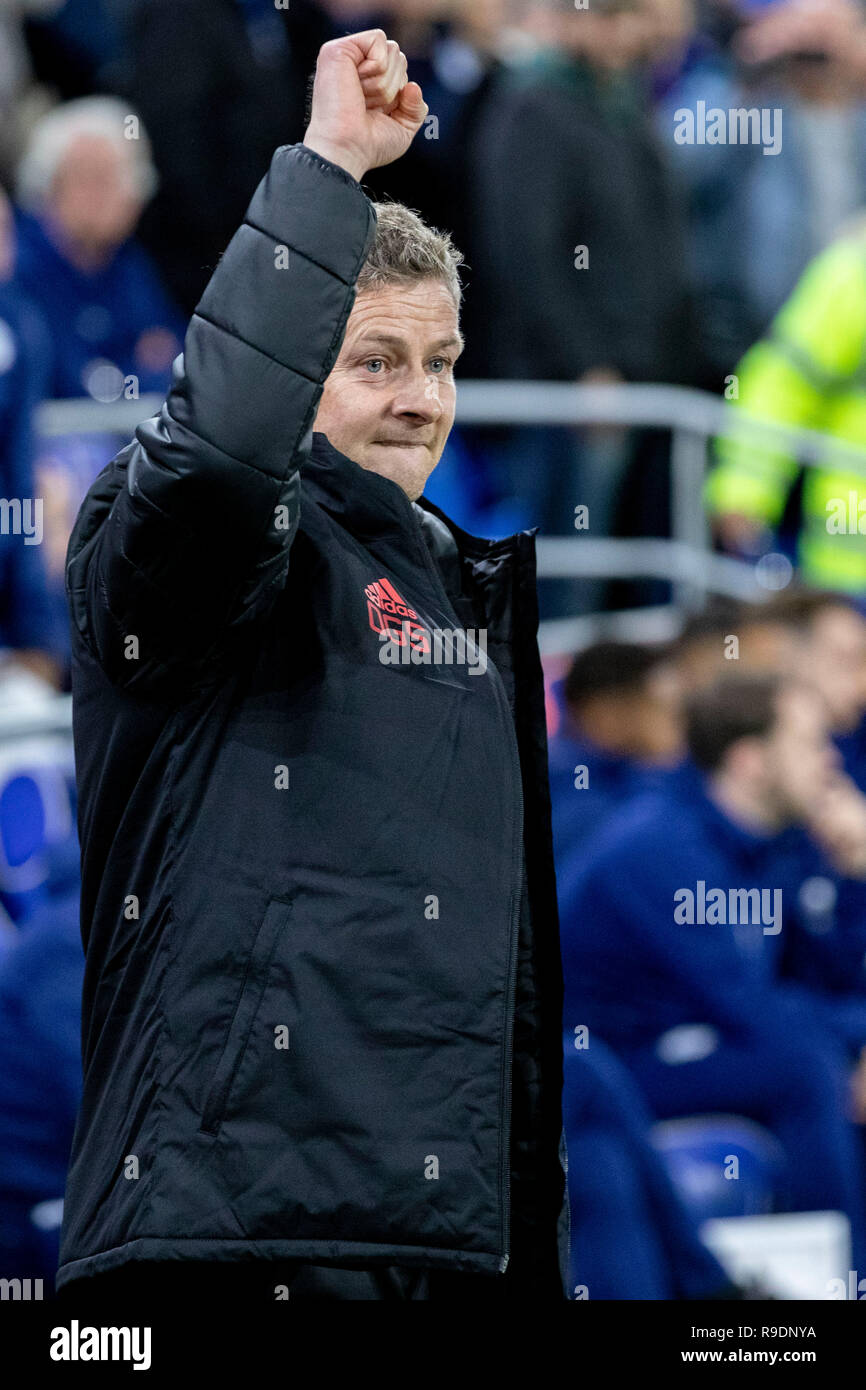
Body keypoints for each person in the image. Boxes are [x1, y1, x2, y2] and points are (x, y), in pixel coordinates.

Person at [56, 28, 569, 1307]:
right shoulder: (200, 533)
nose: (419, 399)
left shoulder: (460, 578)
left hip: (437, 1236)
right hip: (224, 1236)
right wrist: (327, 167)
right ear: (293, 375)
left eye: (440, 364)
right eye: (373, 362)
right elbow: (225, 456)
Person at [558, 670, 866, 1267]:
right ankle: (829, 1279)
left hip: (700, 1044)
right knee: (803, 1065)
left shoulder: (774, 845)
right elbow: (753, 1009)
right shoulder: (658, 848)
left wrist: (856, 882)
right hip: (611, 1069)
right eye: (808, 743)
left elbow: (821, 978)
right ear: (751, 760)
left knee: (815, 1057)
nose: (831, 761)